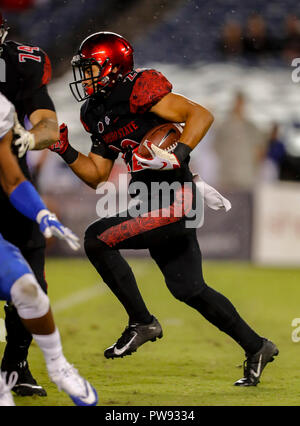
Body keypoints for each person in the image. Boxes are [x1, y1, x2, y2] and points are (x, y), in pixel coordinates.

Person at [48, 31, 278, 387]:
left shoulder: (140, 88)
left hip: (176, 200)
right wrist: (65, 149)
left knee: (96, 238)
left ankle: (142, 322)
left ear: (112, 66)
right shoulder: (94, 111)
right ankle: (257, 346)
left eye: (91, 68)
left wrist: (178, 154)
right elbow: (97, 175)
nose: (85, 77)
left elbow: (199, 115)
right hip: (151, 202)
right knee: (189, 288)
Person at [0, 92, 98, 406]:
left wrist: (41, 212)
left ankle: (58, 367)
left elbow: (12, 178)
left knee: (29, 290)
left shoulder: (0, 108)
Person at [0, 12, 60, 396]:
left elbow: (48, 126)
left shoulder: (21, 64)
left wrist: (28, 140)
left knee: (31, 280)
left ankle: (15, 365)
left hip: (9, 180)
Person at [213, 91, 266, 191]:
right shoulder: (224, 126)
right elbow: (216, 147)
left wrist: (255, 169)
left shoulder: (251, 127)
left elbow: (259, 151)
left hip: (245, 178)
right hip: (228, 177)